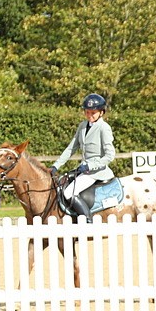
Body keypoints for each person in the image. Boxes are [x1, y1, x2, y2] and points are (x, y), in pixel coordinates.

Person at [52, 93, 115, 222]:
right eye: (87, 112)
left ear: (101, 112)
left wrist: (90, 166)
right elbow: (71, 148)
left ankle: (88, 221)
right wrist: (56, 165)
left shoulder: (104, 128)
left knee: (69, 192)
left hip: (97, 172)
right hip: (83, 169)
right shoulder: (82, 126)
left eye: (93, 113)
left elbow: (110, 155)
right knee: (62, 183)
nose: (89, 115)